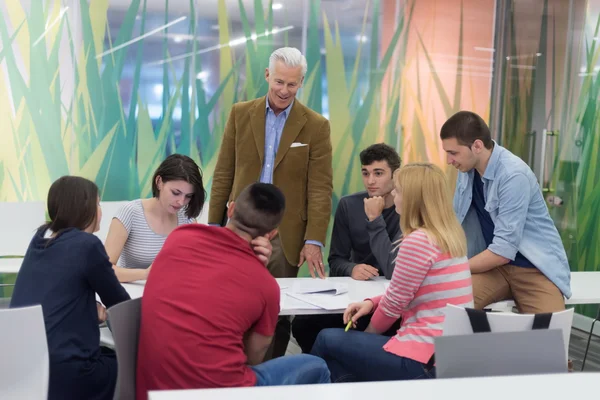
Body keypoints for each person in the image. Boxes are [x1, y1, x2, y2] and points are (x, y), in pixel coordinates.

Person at [136, 183, 330, 399]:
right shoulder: (265, 286)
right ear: (272, 234)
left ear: (231, 209)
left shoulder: (179, 237)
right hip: (224, 392)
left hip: (152, 391)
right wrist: (258, 270)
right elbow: (253, 358)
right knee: (317, 366)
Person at [209, 47, 333, 358]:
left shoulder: (316, 125)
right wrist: (213, 227)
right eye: (279, 82)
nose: (284, 91)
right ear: (267, 76)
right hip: (240, 226)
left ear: (301, 82)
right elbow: (224, 171)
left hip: (286, 232)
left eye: (292, 84)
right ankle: (234, 373)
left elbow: (320, 187)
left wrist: (314, 239)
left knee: (276, 311)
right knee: (232, 303)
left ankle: (271, 378)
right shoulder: (240, 114)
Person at [311, 163, 473, 382]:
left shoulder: (418, 241)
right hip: (446, 356)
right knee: (338, 364)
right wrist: (372, 302)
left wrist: (365, 336)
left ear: (411, 198)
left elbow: (394, 305)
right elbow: (404, 290)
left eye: (397, 191)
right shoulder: (449, 236)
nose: (393, 195)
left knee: (326, 339)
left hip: (422, 359)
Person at [10, 176, 130, 400]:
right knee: (131, 365)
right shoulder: (87, 245)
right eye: (98, 203)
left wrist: (86, 308)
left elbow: (53, 293)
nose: (101, 211)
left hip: (25, 371)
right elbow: (120, 303)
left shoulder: (39, 239)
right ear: (85, 208)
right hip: (69, 376)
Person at [440, 111, 571, 312]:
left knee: (550, 336)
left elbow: (503, 251)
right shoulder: (466, 170)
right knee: (444, 306)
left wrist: (455, 268)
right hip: (493, 267)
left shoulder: (513, 175)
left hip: (533, 268)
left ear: (477, 146)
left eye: (453, 153)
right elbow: (456, 221)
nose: (449, 160)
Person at [292, 143, 402, 353]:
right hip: (354, 294)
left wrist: (374, 218)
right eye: (365, 173)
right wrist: (352, 268)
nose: (371, 180)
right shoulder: (348, 205)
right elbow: (336, 260)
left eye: (378, 173)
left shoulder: (405, 208)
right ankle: (326, 372)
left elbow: (392, 269)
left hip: (390, 299)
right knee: (301, 324)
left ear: (395, 175)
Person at [104, 154, 205, 282]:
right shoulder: (130, 213)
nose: (181, 202)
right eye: (176, 193)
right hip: (132, 297)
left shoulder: (188, 220)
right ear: (159, 182)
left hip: (171, 295)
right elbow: (104, 270)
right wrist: (146, 274)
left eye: (188, 196)